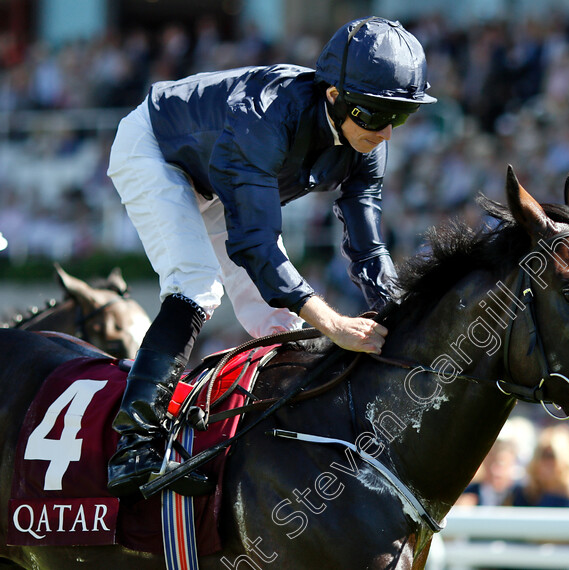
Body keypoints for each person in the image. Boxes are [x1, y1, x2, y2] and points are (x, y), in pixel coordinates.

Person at [105, 16, 436, 497]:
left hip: (217, 176)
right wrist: (334, 323)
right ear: (332, 97)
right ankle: (134, 445)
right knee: (197, 284)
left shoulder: (366, 137)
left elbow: (367, 244)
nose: (385, 132)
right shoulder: (264, 117)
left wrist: (400, 313)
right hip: (155, 149)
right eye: (373, 114)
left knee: (282, 322)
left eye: (398, 116)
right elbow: (254, 245)